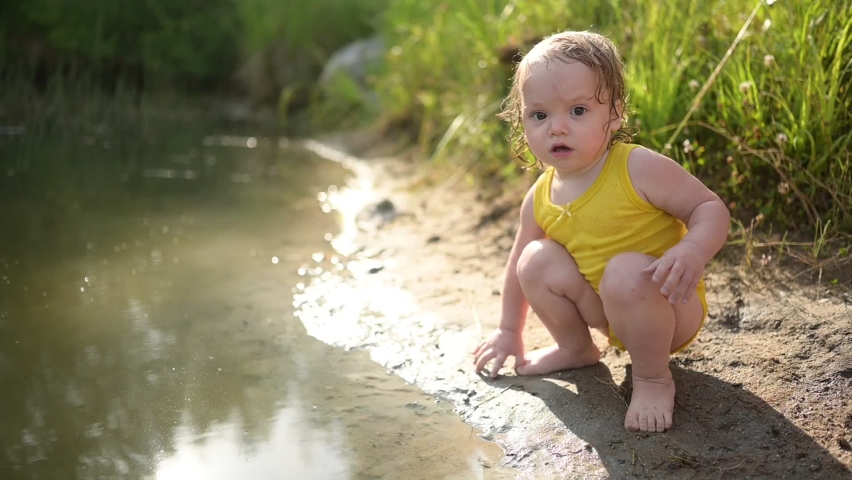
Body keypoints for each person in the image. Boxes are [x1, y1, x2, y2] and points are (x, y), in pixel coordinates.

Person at [472, 30, 730, 433]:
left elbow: (709, 208)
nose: (557, 128)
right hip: (609, 314)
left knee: (626, 271)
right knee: (534, 259)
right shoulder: (540, 196)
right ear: (522, 120)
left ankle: (652, 379)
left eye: (577, 111)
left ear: (615, 114)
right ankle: (576, 347)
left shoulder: (636, 167)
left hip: (668, 308)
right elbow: (515, 272)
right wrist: (508, 331)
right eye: (539, 115)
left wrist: (693, 250)